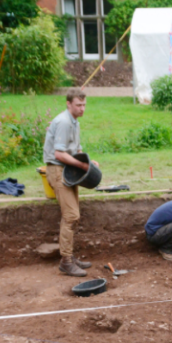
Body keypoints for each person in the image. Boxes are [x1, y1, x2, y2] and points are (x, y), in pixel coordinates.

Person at [44, 89, 99, 277]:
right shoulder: (64, 122)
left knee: (74, 216)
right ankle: (66, 262)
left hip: (67, 170)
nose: (82, 108)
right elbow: (59, 154)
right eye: (78, 105)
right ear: (68, 104)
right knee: (71, 215)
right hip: (58, 171)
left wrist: (89, 162)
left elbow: (75, 150)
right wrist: (82, 165)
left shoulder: (74, 122)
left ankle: (69, 256)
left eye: (84, 105)